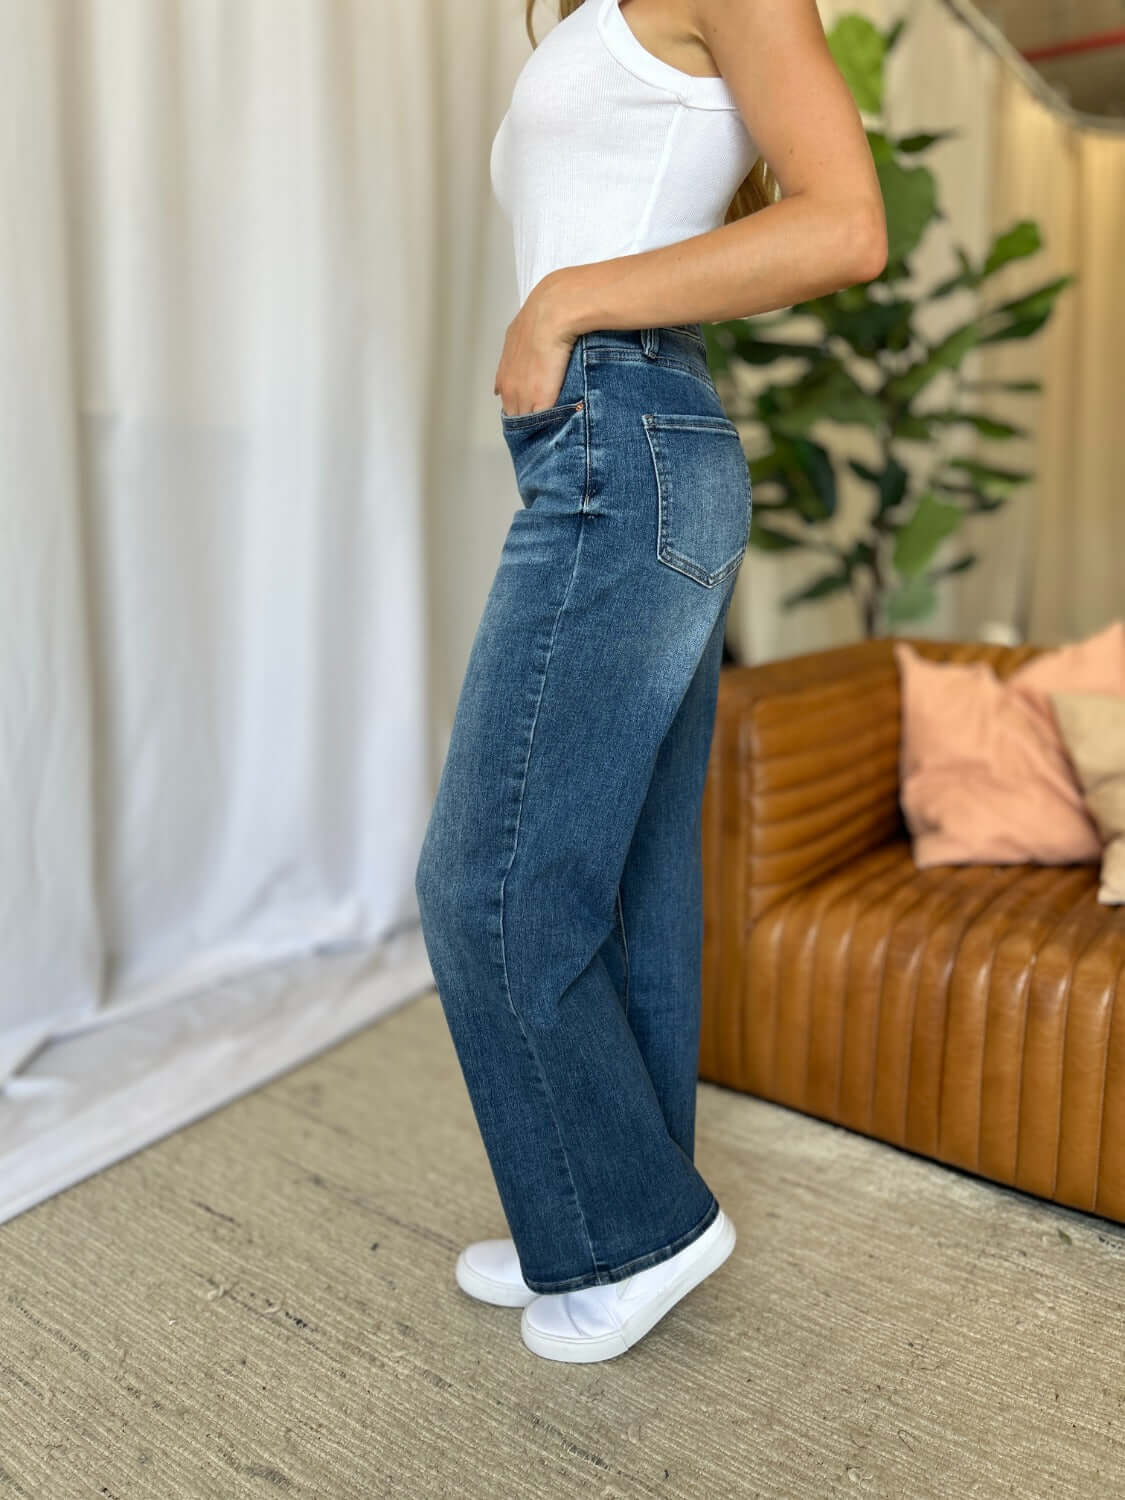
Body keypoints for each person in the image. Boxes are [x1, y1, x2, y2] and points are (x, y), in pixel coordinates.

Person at [414, 0, 887, 1365]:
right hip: (616, 444)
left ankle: (627, 1229)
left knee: (487, 879)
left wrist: (565, 301)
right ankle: (608, 1205)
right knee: (615, 878)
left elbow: (844, 223)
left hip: (624, 447)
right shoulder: (593, 15)